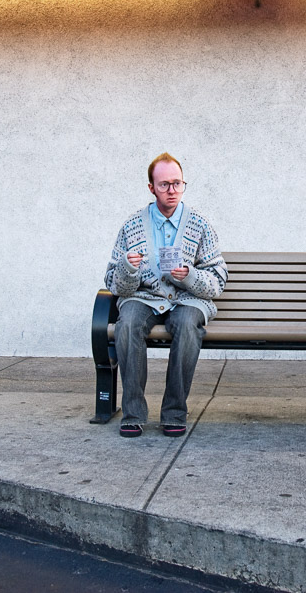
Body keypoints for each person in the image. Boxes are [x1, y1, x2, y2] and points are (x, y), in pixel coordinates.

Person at [104, 153, 228, 438]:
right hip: (144, 296)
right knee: (128, 324)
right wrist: (128, 268)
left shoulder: (199, 225)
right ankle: (133, 412)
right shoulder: (133, 226)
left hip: (187, 299)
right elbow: (114, 283)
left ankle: (174, 411)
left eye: (177, 183)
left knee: (187, 325)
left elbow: (218, 280)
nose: (172, 191)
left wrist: (190, 276)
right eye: (164, 185)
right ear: (151, 188)